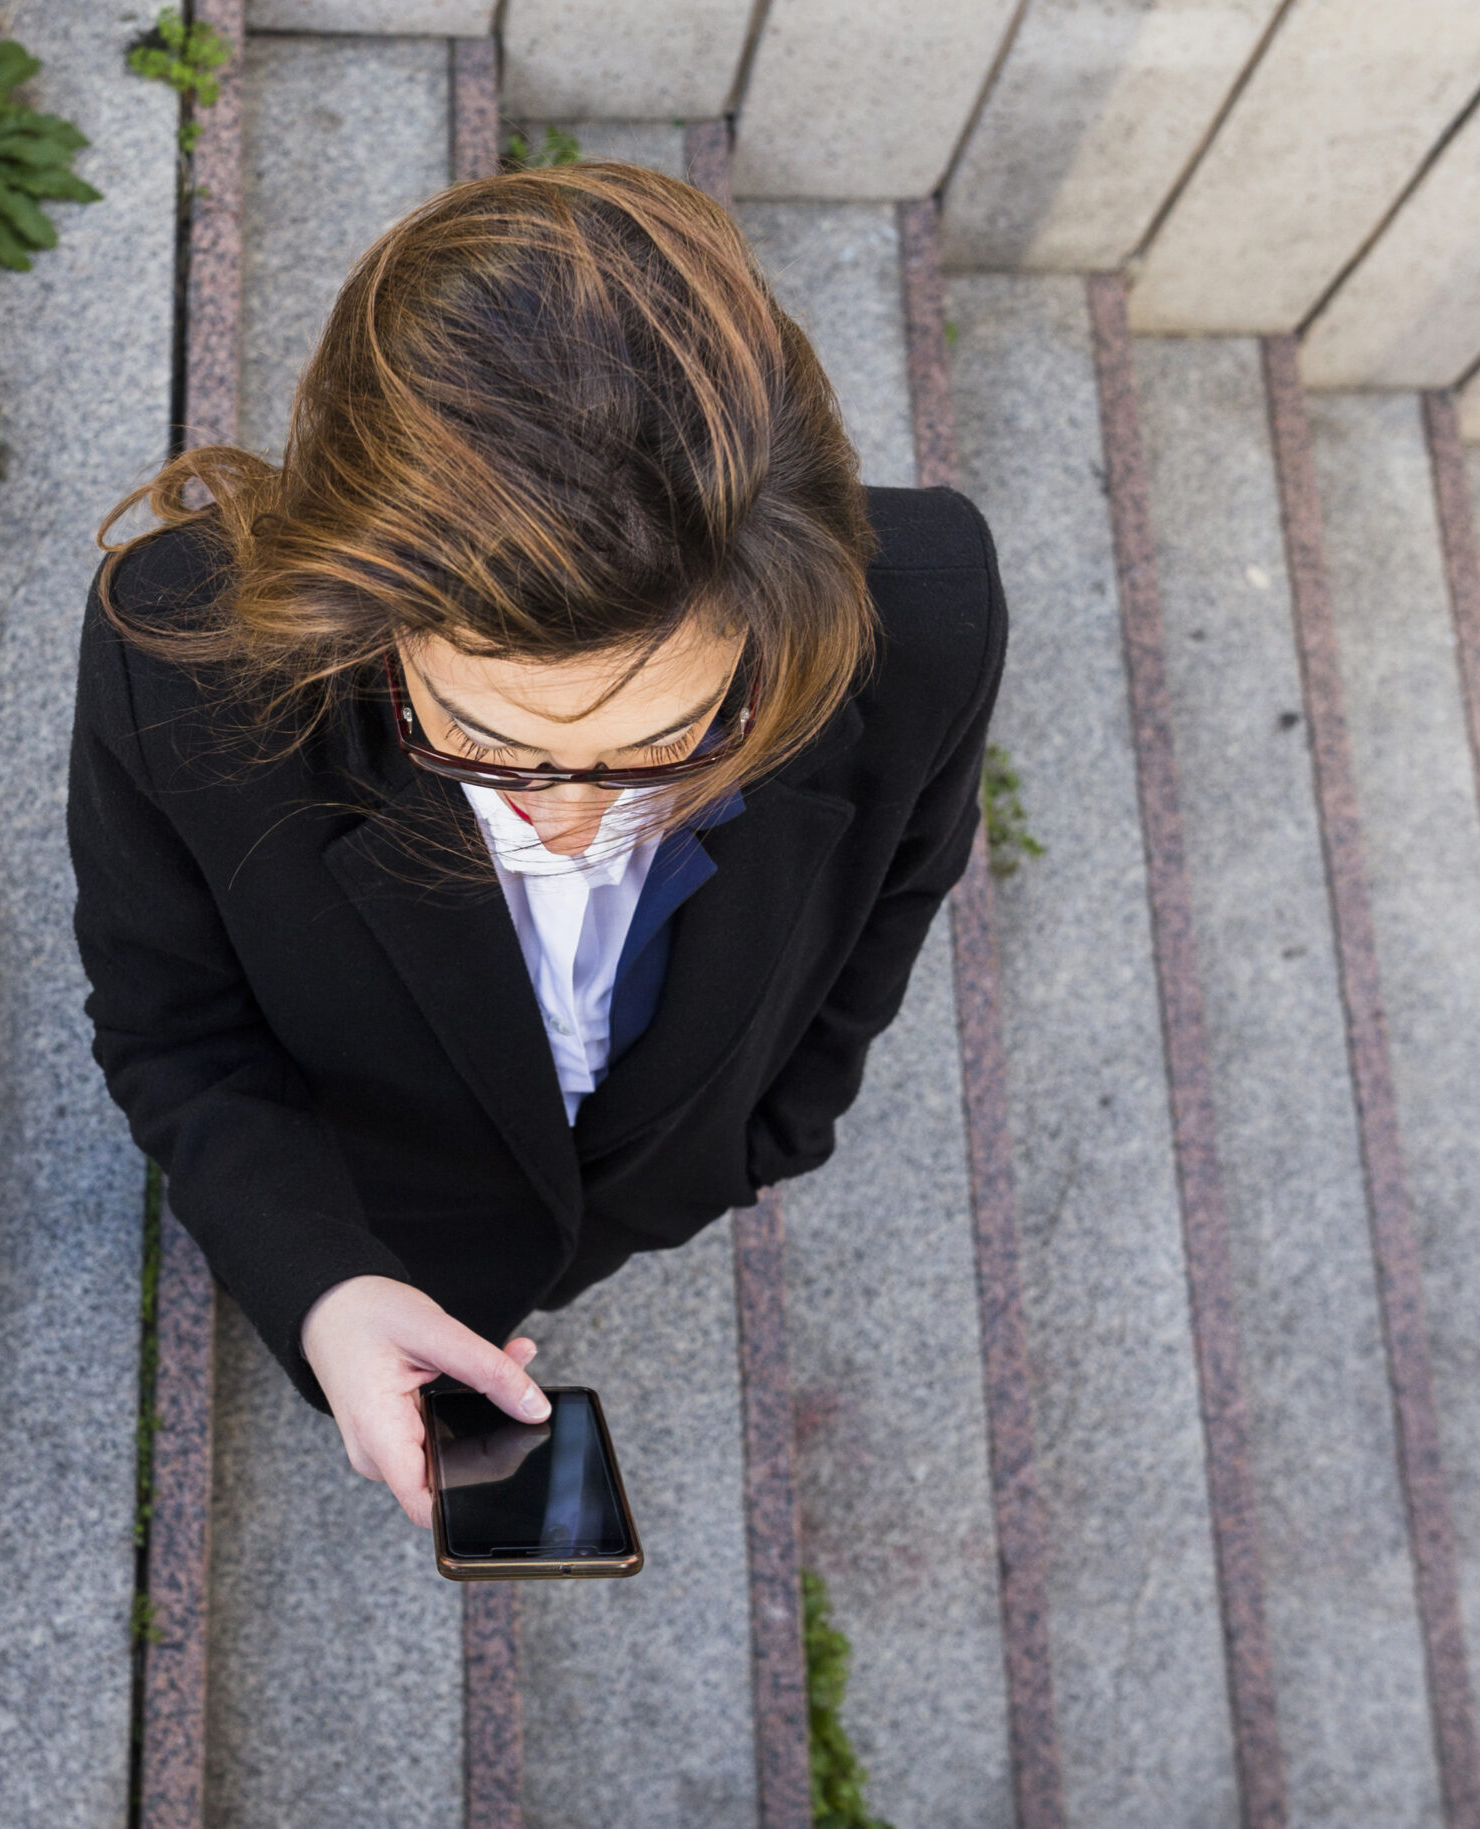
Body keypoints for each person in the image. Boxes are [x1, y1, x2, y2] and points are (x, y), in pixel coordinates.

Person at [68, 160, 1006, 1529]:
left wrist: (773, 1131)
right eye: (489, 744)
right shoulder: (182, 668)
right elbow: (178, 1036)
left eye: (667, 741)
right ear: (362, 614)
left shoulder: (929, 617)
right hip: (376, 1183)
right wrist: (325, 1288)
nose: (569, 818)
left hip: (650, 1177)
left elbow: (903, 879)